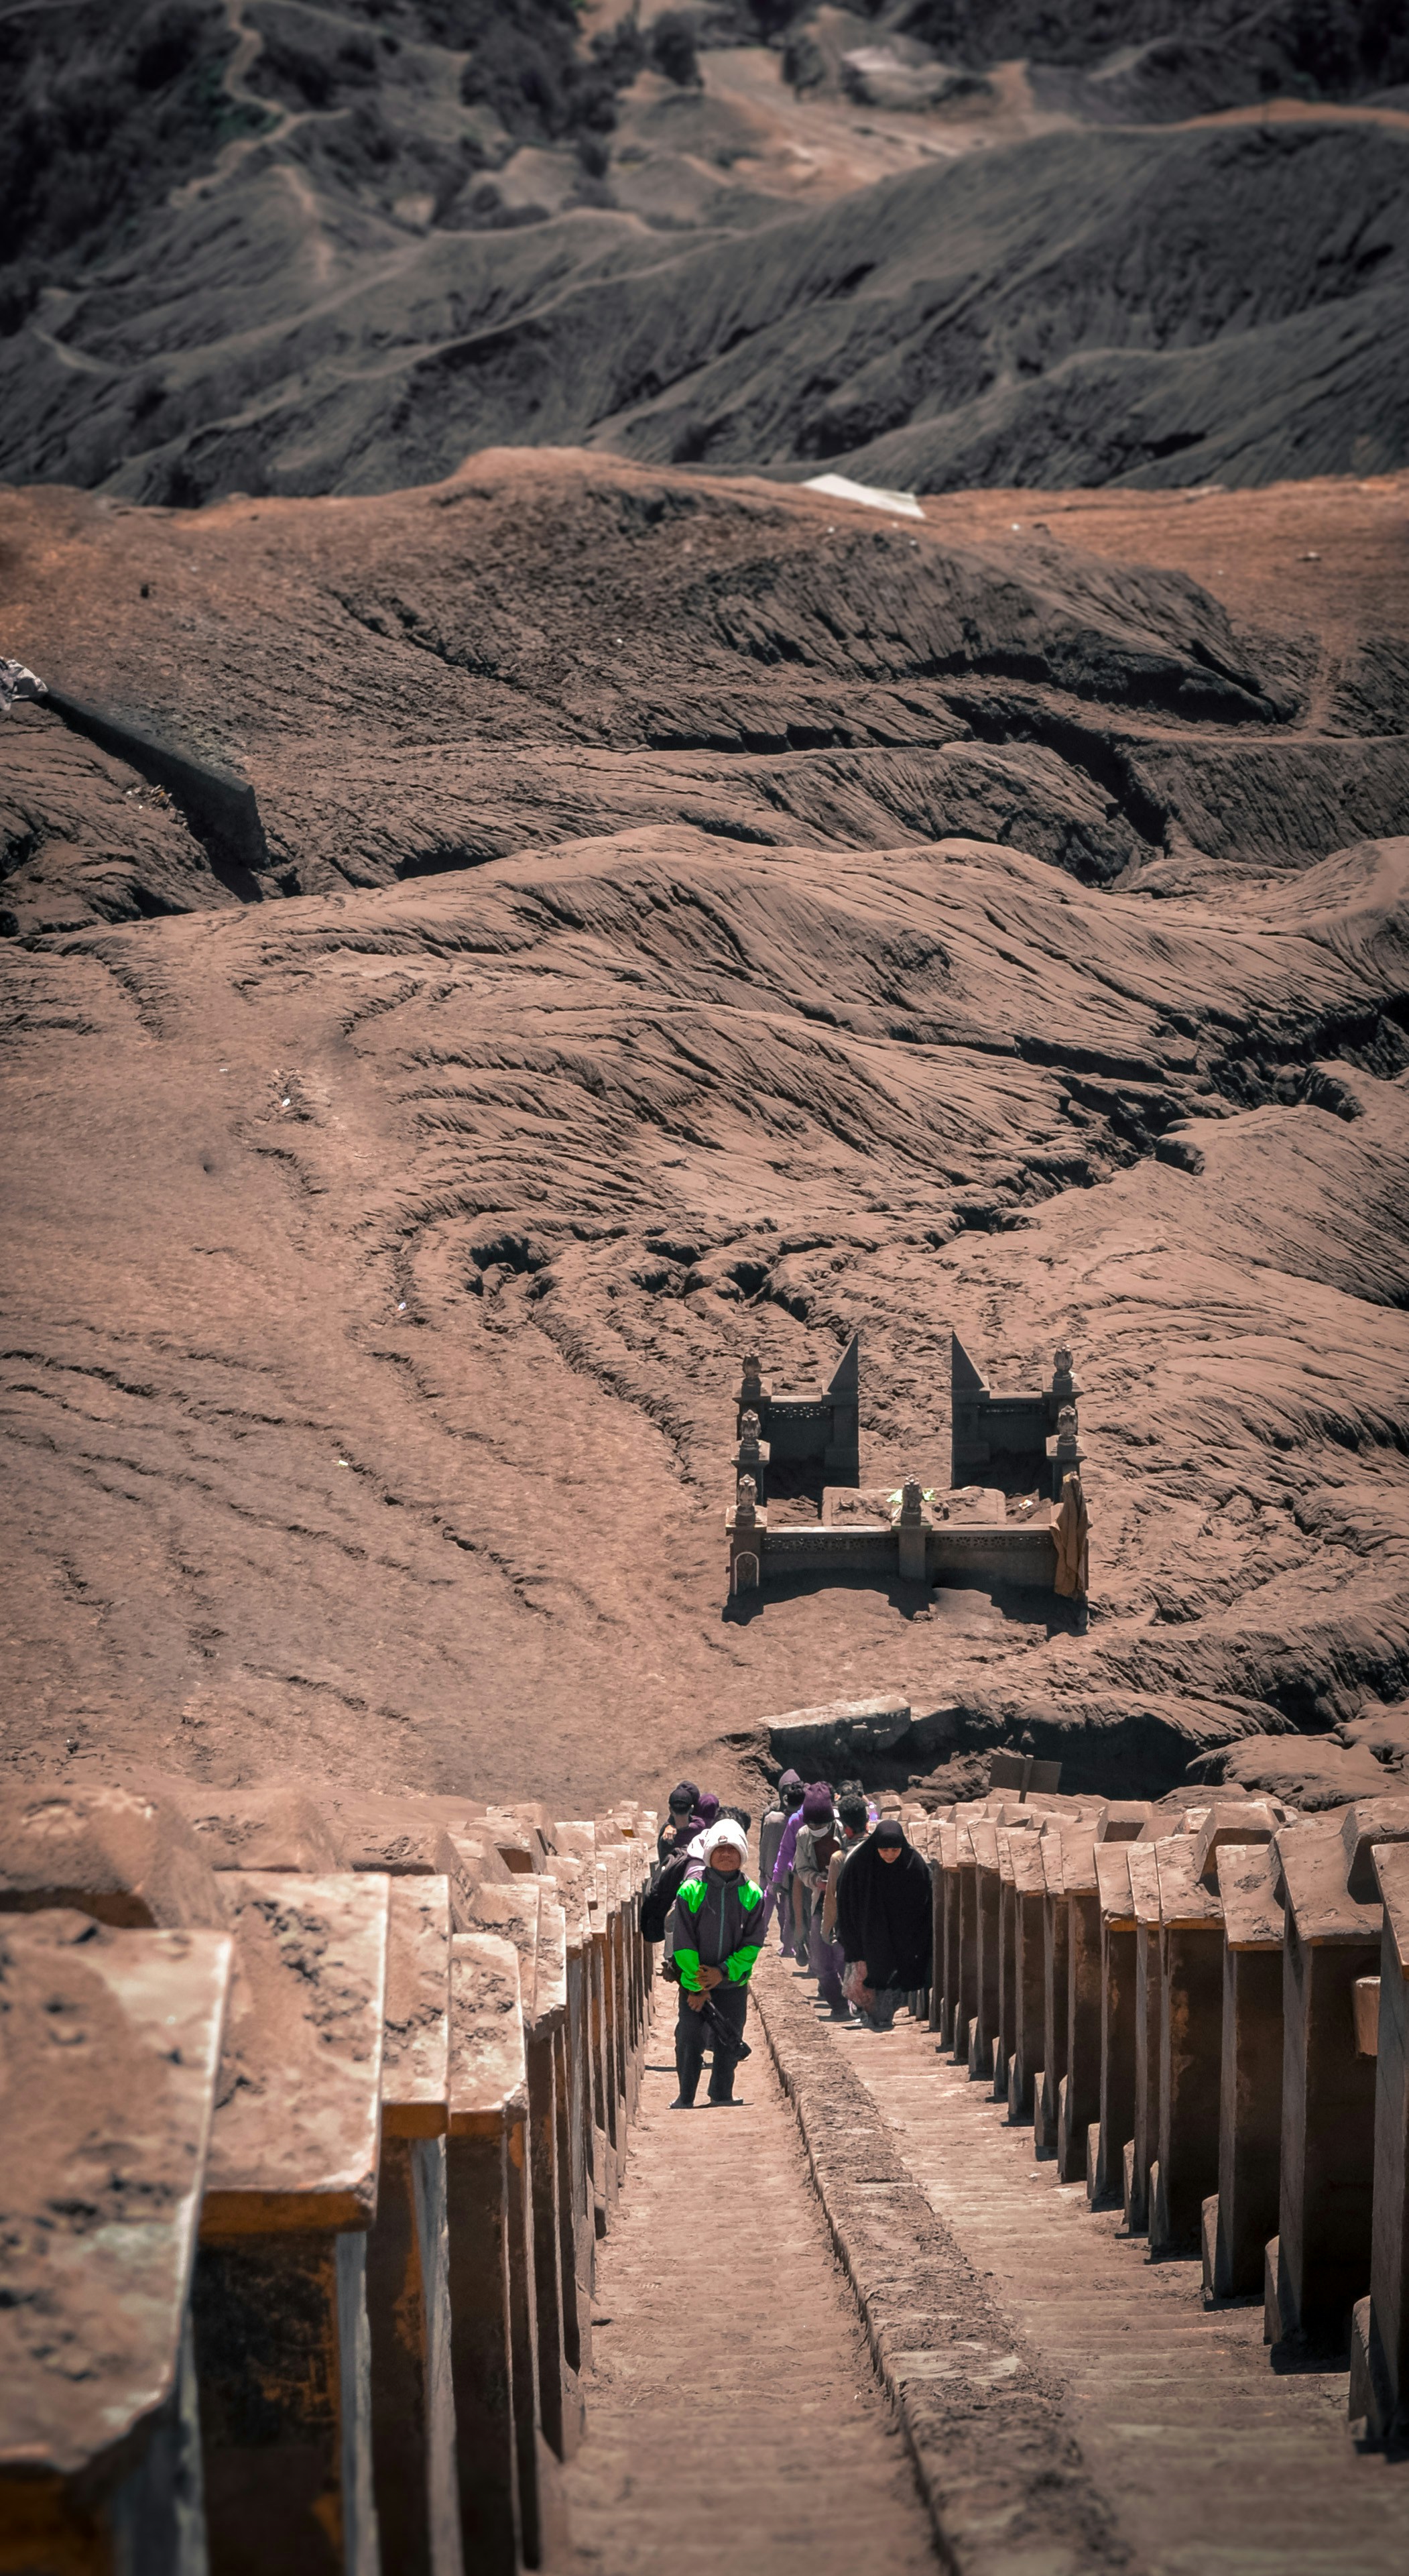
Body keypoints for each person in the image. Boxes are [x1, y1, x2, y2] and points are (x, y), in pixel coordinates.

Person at [667, 1819, 763, 2107]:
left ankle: (722, 2094)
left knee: (729, 2038)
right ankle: (685, 2096)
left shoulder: (753, 1894)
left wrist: (722, 1972)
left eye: (732, 1849)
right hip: (694, 1984)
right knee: (689, 2039)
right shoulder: (690, 1892)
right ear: (709, 1853)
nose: (725, 1855)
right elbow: (682, 1942)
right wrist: (698, 1985)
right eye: (720, 1849)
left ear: (742, 1855)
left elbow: (753, 1943)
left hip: (732, 1982)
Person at [835, 1815, 933, 2031]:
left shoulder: (914, 1865)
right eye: (884, 1850)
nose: (890, 1855)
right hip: (867, 1937)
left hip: (902, 1939)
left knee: (893, 1982)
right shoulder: (859, 1865)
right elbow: (847, 1903)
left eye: (895, 1851)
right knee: (869, 1978)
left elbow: (924, 1903)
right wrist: (851, 1942)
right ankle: (874, 2016)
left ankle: (884, 2018)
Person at [817, 1792, 871, 2017]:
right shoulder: (881, 1850)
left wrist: (826, 1928)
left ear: (846, 1829)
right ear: (867, 1822)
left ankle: (860, 2007)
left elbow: (832, 1899)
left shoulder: (839, 1858)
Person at [792, 1787, 843, 2008]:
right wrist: (815, 1881)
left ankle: (853, 2000)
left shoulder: (842, 1830)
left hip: (844, 1899)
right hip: (820, 1898)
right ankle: (837, 2003)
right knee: (819, 1959)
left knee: (843, 1955)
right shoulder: (803, 1836)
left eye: (820, 1826)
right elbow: (801, 1869)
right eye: (812, 1825)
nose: (816, 1829)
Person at [761, 1771, 804, 1952]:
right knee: (789, 1910)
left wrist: (763, 1868)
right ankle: (788, 1946)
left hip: (772, 1870)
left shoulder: (771, 1818)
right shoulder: (804, 1823)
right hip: (792, 1873)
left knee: (767, 1903)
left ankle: (758, 1934)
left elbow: (763, 1845)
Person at [1053, 1471, 1089, 1599]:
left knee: (1072, 1565)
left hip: (1074, 1543)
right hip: (1072, 1542)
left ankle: (1071, 1590)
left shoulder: (1076, 1505)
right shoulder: (1074, 1504)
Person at [656, 1781, 704, 1870]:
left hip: (669, 1879)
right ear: (691, 1809)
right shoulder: (700, 1826)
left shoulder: (666, 1836)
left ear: (670, 1810)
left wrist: (669, 1825)